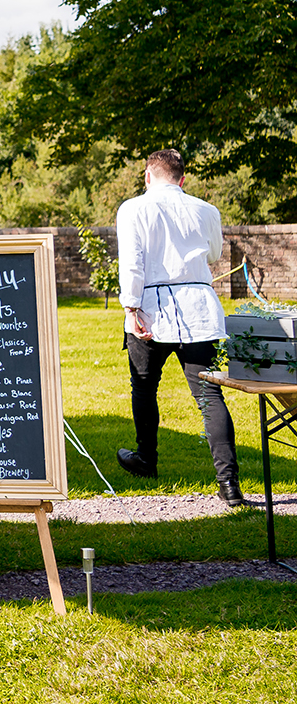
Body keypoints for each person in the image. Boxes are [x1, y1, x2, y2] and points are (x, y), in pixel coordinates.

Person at [114, 148, 242, 506]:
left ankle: (146, 459)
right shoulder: (206, 210)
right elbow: (214, 254)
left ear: (147, 176)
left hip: (152, 309)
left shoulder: (133, 208)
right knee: (209, 396)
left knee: (144, 387)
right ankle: (228, 483)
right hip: (199, 308)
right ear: (182, 179)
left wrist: (130, 307)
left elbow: (133, 261)